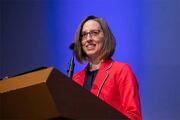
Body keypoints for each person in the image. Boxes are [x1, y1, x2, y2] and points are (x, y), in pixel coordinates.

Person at [72, 15, 142, 120]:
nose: (89, 38)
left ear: (105, 37)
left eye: (94, 33)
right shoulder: (75, 79)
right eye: (84, 34)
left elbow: (134, 116)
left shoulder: (121, 71)